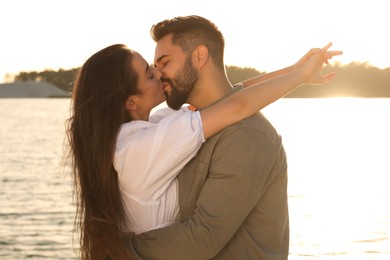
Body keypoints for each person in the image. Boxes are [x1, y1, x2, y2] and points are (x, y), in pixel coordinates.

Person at [122, 15, 342, 259]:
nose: (158, 74)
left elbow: (201, 237)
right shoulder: (190, 121)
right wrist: (294, 71)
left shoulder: (245, 136)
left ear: (199, 56)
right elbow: (236, 96)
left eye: (164, 62)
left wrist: (118, 249)